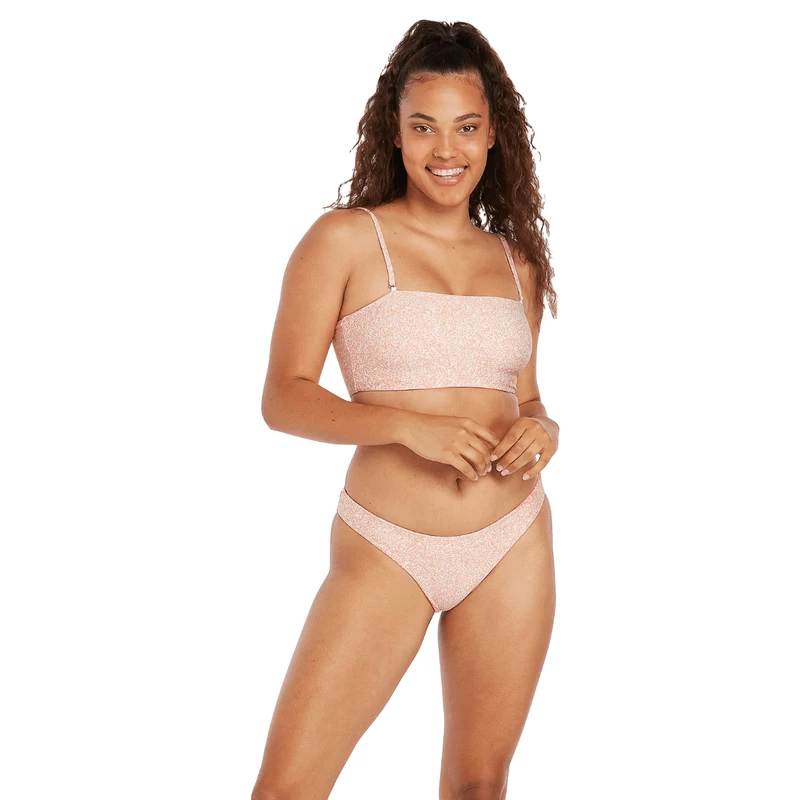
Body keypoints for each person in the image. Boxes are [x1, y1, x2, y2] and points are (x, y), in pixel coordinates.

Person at [252, 19, 559, 800]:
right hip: (387, 544)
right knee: (287, 790)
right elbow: (283, 397)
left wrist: (544, 427)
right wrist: (405, 426)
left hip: (512, 537)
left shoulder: (515, 260)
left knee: (479, 785)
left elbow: (522, 394)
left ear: (493, 135)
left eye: (466, 127)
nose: (445, 149)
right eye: (423, 127)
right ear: (394, 133)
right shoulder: (344, 241)